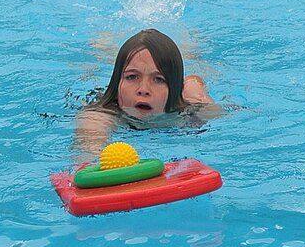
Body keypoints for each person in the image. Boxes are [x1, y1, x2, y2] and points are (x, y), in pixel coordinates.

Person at [72, 28, 222, 159]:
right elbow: (89, 153)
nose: (143, 89)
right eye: (131, 77)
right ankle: (102, 45)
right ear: (117, 85)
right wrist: (90, 154)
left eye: (158, 79)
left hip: (183, 96)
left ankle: (190, 77)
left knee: (193, 88)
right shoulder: (100, 114)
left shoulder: (193, 111)